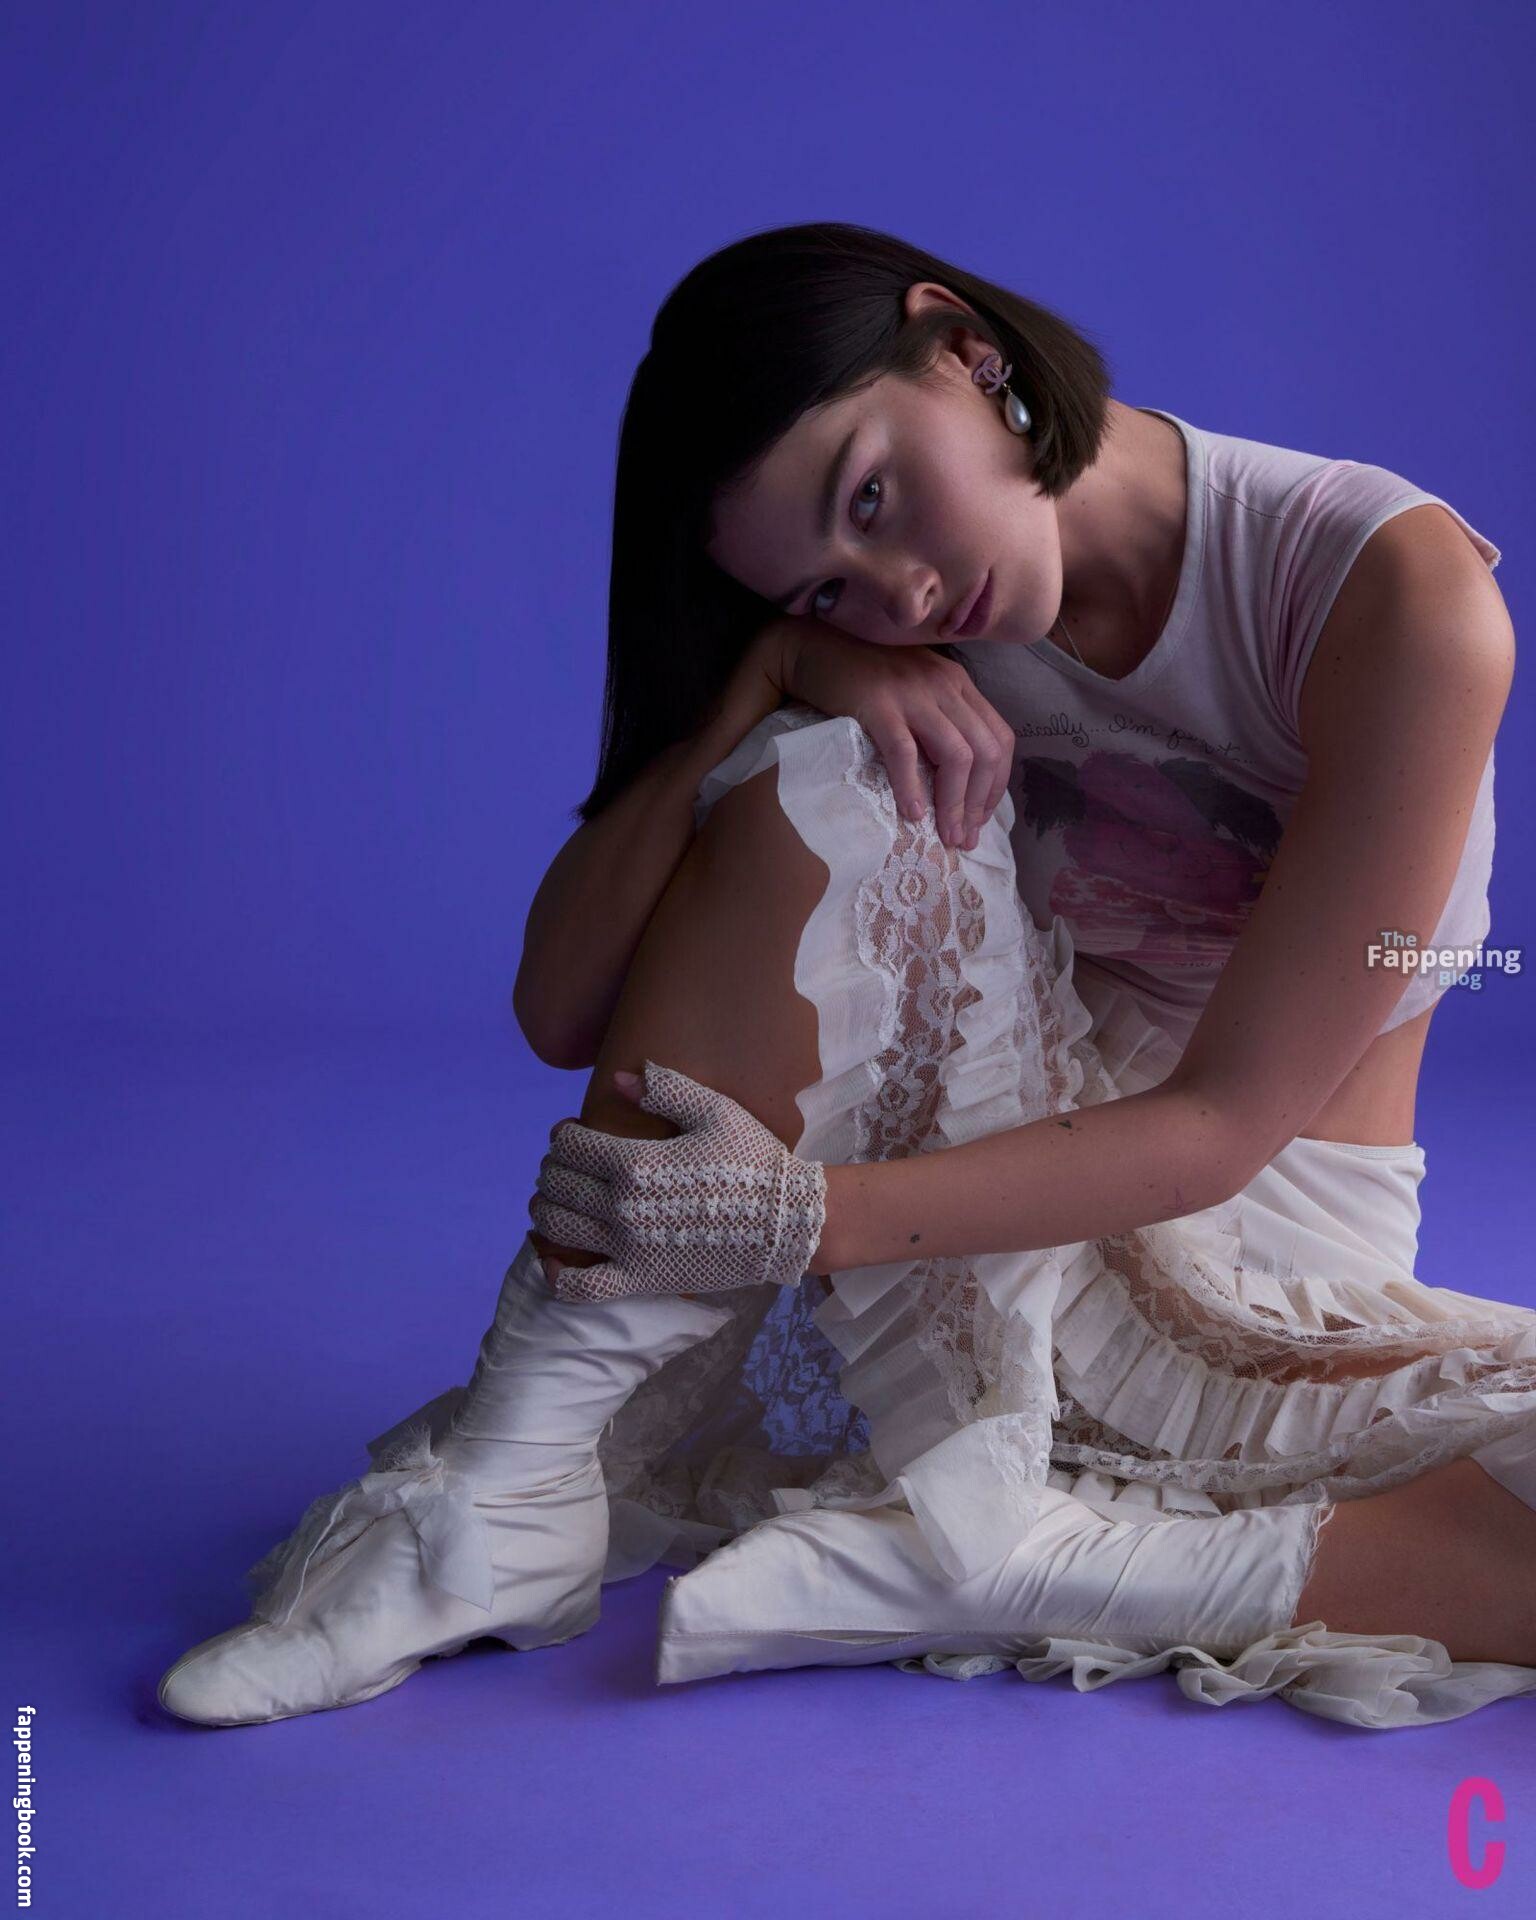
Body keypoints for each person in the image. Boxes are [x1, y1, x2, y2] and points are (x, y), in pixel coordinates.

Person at [157, 222, 1536, 1735]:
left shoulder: (1392, 600)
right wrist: (769, 678)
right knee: (828, 766)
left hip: (1246, 1254)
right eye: (823, 589)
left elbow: (1222, 1126)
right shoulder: (869, 626)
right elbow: (557, 1008)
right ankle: (501, 1493)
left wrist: (805, 1217)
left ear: (966, 348)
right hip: (959, 1235)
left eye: (871, 497)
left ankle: (1043, 1563)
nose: (900, 595)